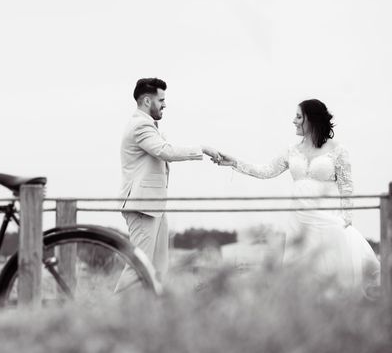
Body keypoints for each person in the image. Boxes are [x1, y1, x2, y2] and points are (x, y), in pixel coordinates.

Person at [217, 99, 380, 294]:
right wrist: (234, 162)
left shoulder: (338, 150)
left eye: (298, 116)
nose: (293, 120)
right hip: (299, 220)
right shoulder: (291, 151)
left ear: (311, 119)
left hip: (327, 218)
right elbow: (265, 170)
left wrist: (347, 217)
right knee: (303, 273)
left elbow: (347, 186)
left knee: (334, 271)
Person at [115, 78, 221, 292]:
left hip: (154, 206)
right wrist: (202, 149)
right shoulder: (140, 125)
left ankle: (150, 312)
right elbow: (166, 152)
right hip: (142, 206)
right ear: (147, 100)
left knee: (157, 268)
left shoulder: (147, 125)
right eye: (161, 100)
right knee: (139, 265)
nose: (165, 104)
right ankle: (110, 311)